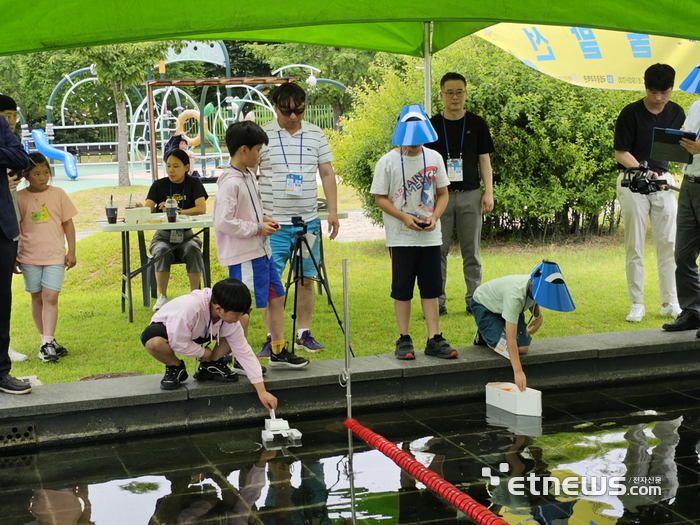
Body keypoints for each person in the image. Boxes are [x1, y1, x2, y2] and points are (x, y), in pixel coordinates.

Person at [213, 120, 309, 369]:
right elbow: (223, 222)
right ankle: (236, 360)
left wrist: (264, 220)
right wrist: (256, 228)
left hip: (261, 252)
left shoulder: (248, 177)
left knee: (277, 297)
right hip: (244, 256)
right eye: (257, 150)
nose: (260, 155)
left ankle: (278, 350)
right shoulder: (230, 181)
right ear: (243, 150)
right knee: (241, 308)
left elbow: (249, 212)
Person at [257, 82, 340, 355]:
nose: (293, 117)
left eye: (299, 111)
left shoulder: (316, 134)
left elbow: (327, 173)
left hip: (308, 221)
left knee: (307, 278)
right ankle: (273, 338)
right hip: (274, 224)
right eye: (286, 111)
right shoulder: (263, 135)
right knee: (273, 281)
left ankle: (304, 333)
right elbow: (249, 174)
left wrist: (333, 211)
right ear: (275, 107)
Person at [370, 104, 457, 361]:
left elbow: (443, 193)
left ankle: (434, 338)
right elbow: (380, 198)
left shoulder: (434, 158)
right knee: (402, 288)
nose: (416, 144)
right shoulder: (387, 161)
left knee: (431, 288)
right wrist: (404, 217)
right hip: (401, 237)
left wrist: (434, 217)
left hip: (430, 236)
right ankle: (404, 337)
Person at [614, 63, 684, 323]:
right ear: (645, 88)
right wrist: (642, 170)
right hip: (633, 181)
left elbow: (679, 149)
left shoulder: (677, 112)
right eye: (653, 92)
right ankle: (637, 303)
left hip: (663, 181)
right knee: (635, 243)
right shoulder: (630, 113)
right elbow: (620, 152)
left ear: (671, 89)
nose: (658, 98)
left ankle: (671, 302)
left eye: (664, 92)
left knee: (668, 243)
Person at [140, 277, 278, 408]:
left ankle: (210, 365)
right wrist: (202, 352)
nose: (239, 317)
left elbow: (244, 352)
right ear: (218, 308)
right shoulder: (189, 310)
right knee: (154, 343)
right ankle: (175, 367)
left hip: (202, 332)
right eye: (236, 314)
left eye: (242, 312)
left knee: (238, 327)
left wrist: (262, 391)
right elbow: (178, 342)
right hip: (169, 330)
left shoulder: (229, 317)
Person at [427, 72, 495, 317]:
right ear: (441, 95)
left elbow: (484, 160)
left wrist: (489, 192)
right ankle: (438, 302)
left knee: (472, 252)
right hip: (439, 198)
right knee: (438, 251)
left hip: (470, 194)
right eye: (450, 92)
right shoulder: (432, 125)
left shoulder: (477, 123)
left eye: (459, 92)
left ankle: (474, 301)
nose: (455, 97)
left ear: (465, 94)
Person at [470, 260, 575, 391]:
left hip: (509, 308)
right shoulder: (515, 296)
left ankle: (500, 324)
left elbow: (533, 300)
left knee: (523, 348)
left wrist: (539, 317)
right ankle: (483, 334)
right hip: (485, 305)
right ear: (532, 286)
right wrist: (518, 371)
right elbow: (511, 338)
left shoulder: (534, 284)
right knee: (504, 346)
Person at [16, 153, 77, 364]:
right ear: (26, 176)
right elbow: (15, 226)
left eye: (45, 173)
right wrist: (15, 255)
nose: (42, 177)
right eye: (36, 174)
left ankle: (48, 341)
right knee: (37, 297)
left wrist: (71, 251)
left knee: (51, 296)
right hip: (29, 255)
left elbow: (68, 223)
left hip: (54, 255)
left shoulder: (58, 193)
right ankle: (47, 341)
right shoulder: (19, 197)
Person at [140, 148, 208, 311]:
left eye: (176, 166)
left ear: (186, 167)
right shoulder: (158, 185)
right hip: (163, 236)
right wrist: (153, 209)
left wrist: (176, 211)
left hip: (186, 235)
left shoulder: (194, 183)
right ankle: (162, 296)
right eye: (168, 166)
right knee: (162, 250)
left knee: (193, 249)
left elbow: (201, 208)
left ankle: (195, 296)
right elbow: (147, 210)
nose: (171, 170)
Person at [662, 99, 700, 333]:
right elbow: (687, 134)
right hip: (690, 184)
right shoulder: (696, 105)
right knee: (683, 255)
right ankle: (693, 311)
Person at [0, 113, 31, 393]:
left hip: (2, 229)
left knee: (2, 303)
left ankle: (2, 372)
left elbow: (22, 158)